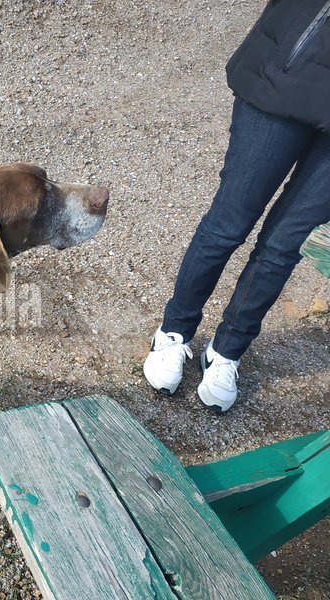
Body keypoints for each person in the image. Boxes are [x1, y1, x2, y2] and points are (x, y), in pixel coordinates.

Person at [143, 0, 330, 412]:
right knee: (228, 223)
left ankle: (227, 350)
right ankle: (174, 331)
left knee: (285, 246)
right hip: (288, 73)